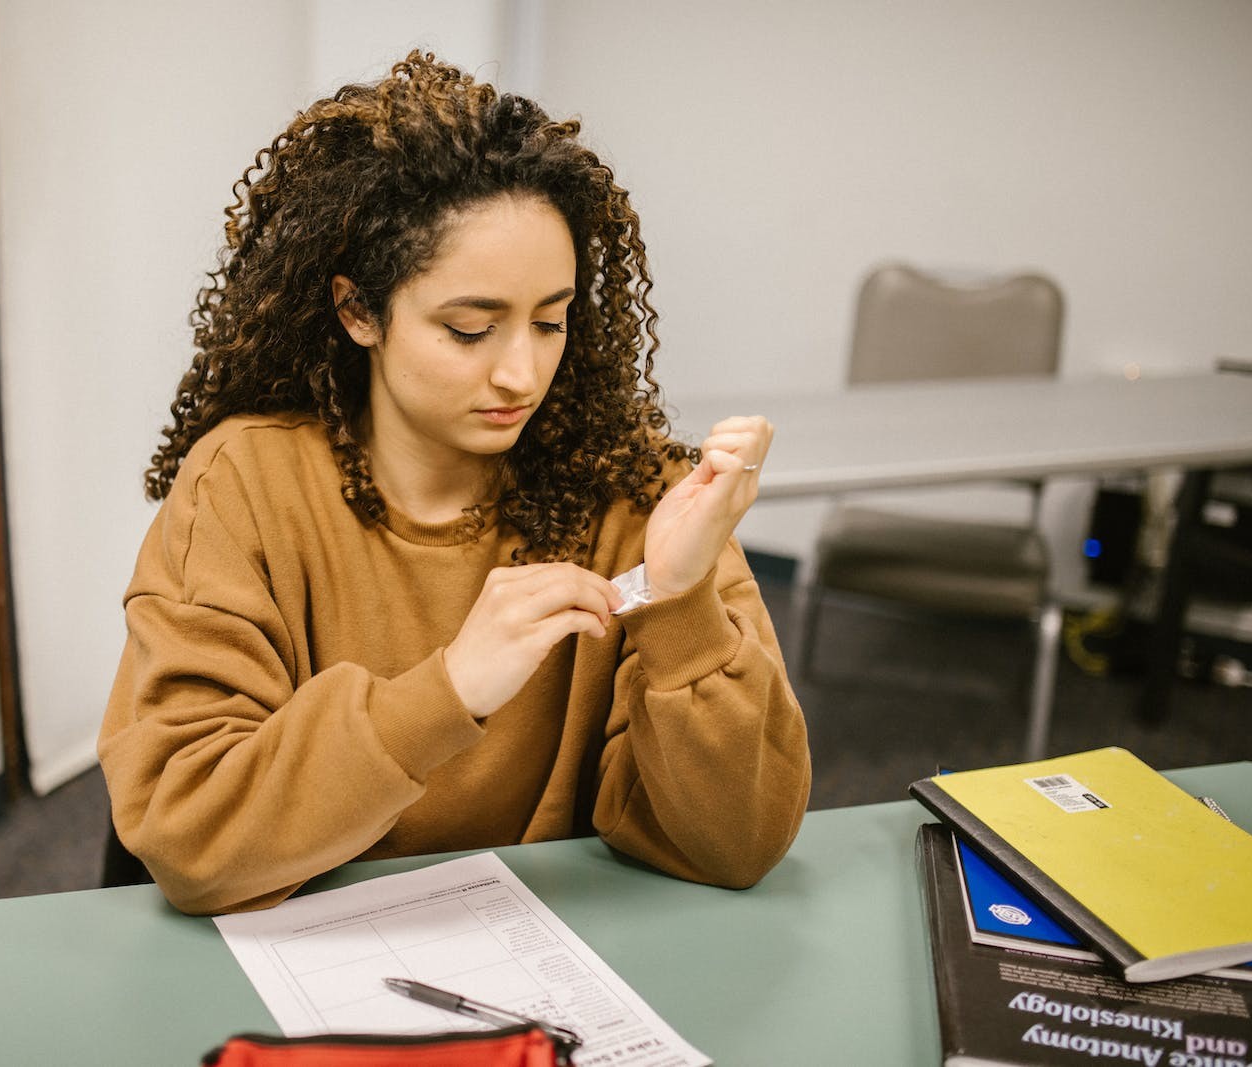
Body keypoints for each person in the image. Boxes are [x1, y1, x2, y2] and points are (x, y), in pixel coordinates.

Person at [100, 51, 810, 915]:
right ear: (358, 311)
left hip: (555, 970)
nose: (522, 372)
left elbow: (738, 847)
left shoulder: (635, 493)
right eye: (470, 329)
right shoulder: (243, 484)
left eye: (552, 321)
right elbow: (191, 835)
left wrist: (682, 599)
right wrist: (451, 690)